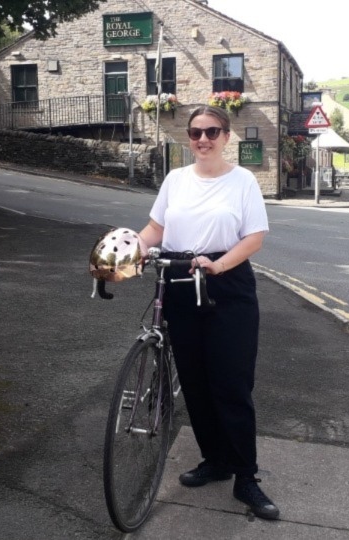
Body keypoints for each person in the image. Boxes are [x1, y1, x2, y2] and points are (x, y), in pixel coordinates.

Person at [137, 105, 278, 520]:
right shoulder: (175, 180)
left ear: (226, 136)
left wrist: (218, 264)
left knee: (231, 385)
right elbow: (156, 229)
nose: (203, 139)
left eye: (212, 131)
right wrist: (132, 247)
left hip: (226, 284)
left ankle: (246, 477)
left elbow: (254, 238)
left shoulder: (243, 181)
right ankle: (215, 460)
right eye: (196, 132)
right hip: (180, 280)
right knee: (195, 384)